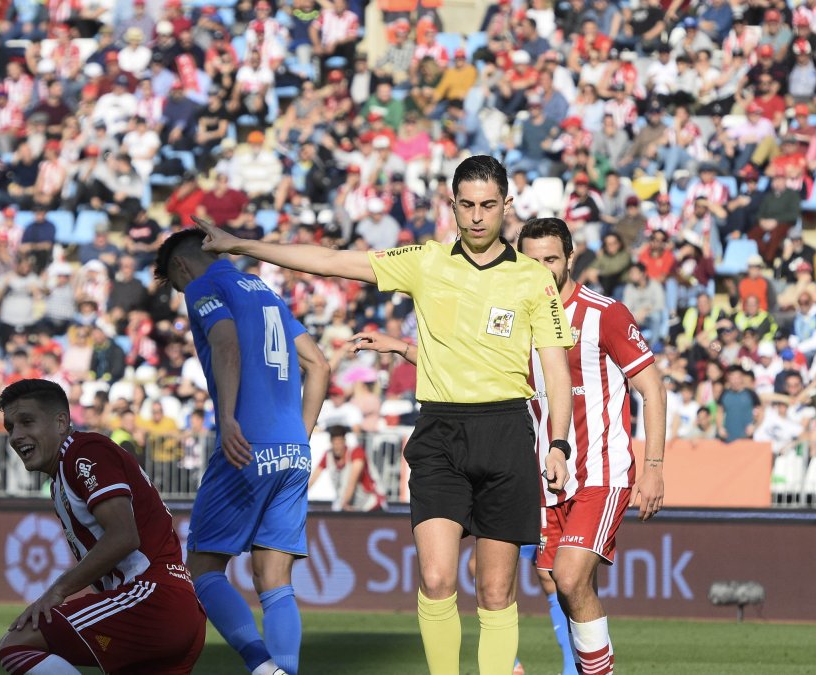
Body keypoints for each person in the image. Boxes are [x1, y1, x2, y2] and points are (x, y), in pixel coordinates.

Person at [193, 155, 574, 675]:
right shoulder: (426, 260)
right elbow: (333, 260)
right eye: (467, 205)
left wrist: (558, 443)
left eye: (489, 205)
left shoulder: (534, 280)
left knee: (494, 590)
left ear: (507, 206)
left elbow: (556, 369)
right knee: (438, 581)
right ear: (452, 205)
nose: (478, 217)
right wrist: (243, 245)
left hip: (507, 431)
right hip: (440, 431)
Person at [353, 217, 666, 675]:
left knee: (569, 575)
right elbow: (472, 365)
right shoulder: (516, 306)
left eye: (552, 259)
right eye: (533, 259)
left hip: (600, 469)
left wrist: (654, 465)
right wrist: (402, 348)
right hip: (542, 472)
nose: (542, 268)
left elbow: (653, 389)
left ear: (571, 258)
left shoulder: (605, 314)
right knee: (548, 580)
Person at [153, 228, 330, 675]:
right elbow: (319, 363)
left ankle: (260, 665)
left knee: (203, 568)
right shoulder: (264, 290)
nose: (182, 293)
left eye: (176, 287)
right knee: (274, 580)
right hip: (292, 448)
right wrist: (300, 435)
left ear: (181, 267)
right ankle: (285, 673)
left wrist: (228, 418)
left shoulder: (202, 287)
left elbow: (225, 341)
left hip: (247, 443)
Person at [0, 379, 206, 674]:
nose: (17, 436)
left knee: (18, 642)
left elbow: (123, 536)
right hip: (175, 607)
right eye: (10, 428)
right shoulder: (61, 478)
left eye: (27, 422)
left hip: (151, 599)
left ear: (61, 422)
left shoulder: (84, 452)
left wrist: (58, 590)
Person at [307, 424, 387, 512]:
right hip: (352, 507)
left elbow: (352, 482)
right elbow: (313, 478)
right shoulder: (328, 455)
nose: (337, 447)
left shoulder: (356, 453)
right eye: (335, 443)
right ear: (331, 443)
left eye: (339, 442)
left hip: (372, 505)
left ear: (344, 441)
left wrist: (342, 504)